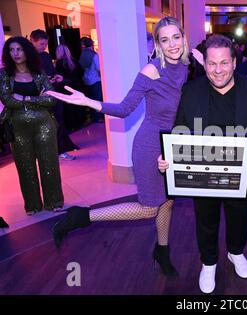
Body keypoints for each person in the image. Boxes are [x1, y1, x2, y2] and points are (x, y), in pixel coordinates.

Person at [46, 17, 190, 277]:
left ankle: (162, 251)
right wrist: (89, 102)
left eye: (176, 37)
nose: (172, 44)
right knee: (149, 207)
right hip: (150, 146)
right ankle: (80, 217)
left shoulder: (185, 65)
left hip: (173, 145)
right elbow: (124, 109)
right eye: (164, 39)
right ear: (157, 44)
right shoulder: (151, 70)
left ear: (183, 38)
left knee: (167, 202)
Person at [158, 34, 247, 294]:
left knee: (239, 214)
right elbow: (180, 128)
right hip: (203, 170)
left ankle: (235, 252)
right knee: (206, 217)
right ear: (205, 64)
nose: (218, 70)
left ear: (234, 62)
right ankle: (208, 262)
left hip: (242, 170)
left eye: (224, 63)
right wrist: (167, 156)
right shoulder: (191, 90)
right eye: (212, 64)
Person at [0, 36, 64, 215]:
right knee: (25, 166)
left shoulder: (38, 72)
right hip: (18, 127)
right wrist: (38, 99)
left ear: (26, 50)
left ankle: (54, 201)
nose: (15, 53)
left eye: (19, 49)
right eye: (11, 50)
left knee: (49, 164)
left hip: (44, 124)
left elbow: (51, 98)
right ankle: (33, 205)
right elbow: (7, 100)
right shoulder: (4, 74)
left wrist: (26, 98)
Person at [30, 30, 78, 160]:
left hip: (54, 93)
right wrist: (43, 82)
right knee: (45, 126)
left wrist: (57, 77)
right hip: (40, 97)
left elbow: (51, 71)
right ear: (32, 41)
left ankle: (60, 150)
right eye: (41, 44)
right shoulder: (28, 58)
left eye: (45, 44)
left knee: (58, 122)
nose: (44, 46)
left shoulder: (45, 55)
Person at [55, 44, 86, 132]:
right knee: (77, 105)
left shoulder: (59, 63)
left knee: (68, 107)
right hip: (77, 85)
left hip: (66, 87)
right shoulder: (74, 61)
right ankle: (79, 123)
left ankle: (71, 125)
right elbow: (81, 73)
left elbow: (59, 76)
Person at [79, 36, 104, 123]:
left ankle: (93, 118)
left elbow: (81, 67)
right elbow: (99, 68)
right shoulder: (94, 55)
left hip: (86, 80)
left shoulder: (82, 54)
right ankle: (97, 118)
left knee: (90, 100)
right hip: (95, 80)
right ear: (91, 44)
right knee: (97, 100)